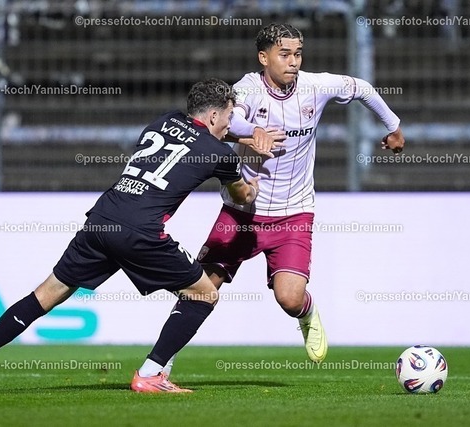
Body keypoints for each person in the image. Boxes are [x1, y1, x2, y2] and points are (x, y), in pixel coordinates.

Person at [0, 78, 260, 394]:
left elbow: (195, 135)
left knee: (46, 294)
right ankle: (150, 374)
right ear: (215, 116)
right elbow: (241, 194)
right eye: (229, 116)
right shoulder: (220, 154)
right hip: (140, 231)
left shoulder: (164, 120)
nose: (230, 125)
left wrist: (239, 135)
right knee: (203, 294)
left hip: (102, 219)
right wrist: (253, 185)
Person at [162, 23, 405, 374]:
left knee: (289, 299)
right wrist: (253, 132)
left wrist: (393, 127)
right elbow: (229, 122)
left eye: (298, 54)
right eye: (284, 54)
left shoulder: (316, 86)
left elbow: (362, 88)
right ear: (264, 58)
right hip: (241, 211)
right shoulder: (247, 89)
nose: (293, 61)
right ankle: (162, 363)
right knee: (200, 288)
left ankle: (307, 313)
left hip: (294, 213)